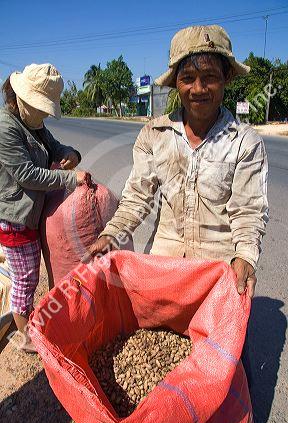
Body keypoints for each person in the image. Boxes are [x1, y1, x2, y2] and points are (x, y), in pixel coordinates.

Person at [85, 25, 268, 300]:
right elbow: (138, 197)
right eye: (188, 78)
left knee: (229, 343)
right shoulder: (154, 134)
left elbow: (248, 212)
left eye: (210, 77)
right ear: (176, 82)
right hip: (164, 265)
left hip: (217, 272)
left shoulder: (245, 142)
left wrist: (244, 257)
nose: (198, 89)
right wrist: (112, 233)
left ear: (226, 77)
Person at [0, 63, 88, 352]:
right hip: (15, 218)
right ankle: (24, 338)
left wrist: (71, 155)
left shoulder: (34, 125)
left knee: (28, 273)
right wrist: (67, 177)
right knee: (26, 278)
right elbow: (26, 174)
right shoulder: (6, 127)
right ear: (22, 98)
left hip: (30, 216)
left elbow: (55, 146)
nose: (44, 115)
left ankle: (28, 322)